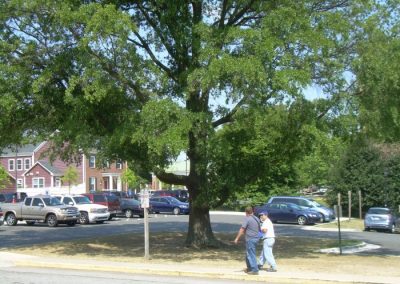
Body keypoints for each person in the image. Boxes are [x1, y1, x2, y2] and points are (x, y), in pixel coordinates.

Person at [234, 206, 260, 275]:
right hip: (256, 238)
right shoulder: (257, 218)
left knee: (251, 254)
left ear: (246, 212)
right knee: (248, 254)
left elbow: (242, 229)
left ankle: (255, 270)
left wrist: (237, 238)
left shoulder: (247, 219)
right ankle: (249, 268)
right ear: (252, 211)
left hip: (250, 239)